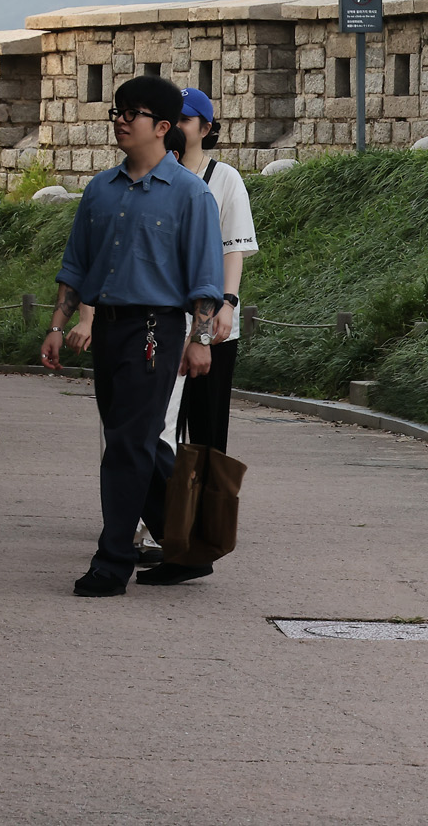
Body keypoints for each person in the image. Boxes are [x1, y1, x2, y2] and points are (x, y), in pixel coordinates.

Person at [41, 75, 222, 598]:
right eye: (118, 110)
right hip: (111, 332)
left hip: (155, 332)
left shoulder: (191, 194)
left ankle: (112, 559)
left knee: (124, 446)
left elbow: (206, 277)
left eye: (134, 113)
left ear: (163, 127)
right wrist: (58, 326)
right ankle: (189, 544)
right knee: (138, 442)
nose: (121, 119)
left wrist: (200, 339)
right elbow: (75, 265)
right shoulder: (100, 190)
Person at [131, 87, 256, 586]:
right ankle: (154, 522)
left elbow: (233, 251)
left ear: (205, 126)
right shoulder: (153, 176)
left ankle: (200, 528)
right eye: (171, 117)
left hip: (211, 326)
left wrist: (226, 306)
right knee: (158, 424)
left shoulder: (223, 180)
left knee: (205, 432)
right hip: (158, 322)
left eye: (187, 118)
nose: (179, 125)